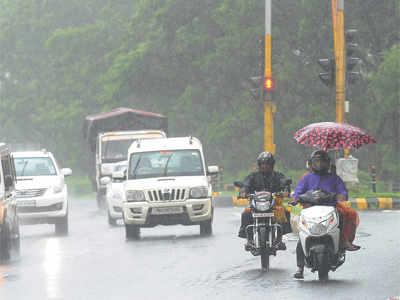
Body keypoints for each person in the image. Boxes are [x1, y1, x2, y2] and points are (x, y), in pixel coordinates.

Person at [290, 150, 360, 279]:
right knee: (303, 234)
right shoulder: (306, 178)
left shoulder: (335, 178)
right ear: (311, 163)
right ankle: (300, 268)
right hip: (309, 209)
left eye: (323, 161)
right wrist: (295, 198)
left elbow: (343, 193)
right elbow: (297, 193)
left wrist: (339, 196)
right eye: (317, 161)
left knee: (348, 214)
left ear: (328, 163)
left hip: (331, 208)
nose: (320, 164)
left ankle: (344, 240)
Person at [237, 151, 290, 250]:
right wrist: (243, 192)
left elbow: (284, 184)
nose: (265, 166)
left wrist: (285, 191)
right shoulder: (253, 176)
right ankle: (248, 240)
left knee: (285, 211)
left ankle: (280, 239)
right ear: (259, 165)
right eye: (262, 164)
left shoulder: (278, 175)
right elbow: (246, 185)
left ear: (272, 165)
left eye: (267, 164)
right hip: (256, 203)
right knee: (245, 213)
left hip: (274, 203)